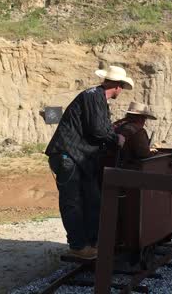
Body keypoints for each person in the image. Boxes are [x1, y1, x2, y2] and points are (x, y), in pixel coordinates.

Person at [45, 65, 133, 260]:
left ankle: (92, 243)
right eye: (121, 88)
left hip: (79, 157)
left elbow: (98, 128)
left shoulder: (96, 98)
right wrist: (116, 139)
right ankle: (78, 246)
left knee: (93, 200)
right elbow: (99, 130)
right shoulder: (93, 97)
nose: (121, 91)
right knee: (73, 202)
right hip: (68, 156)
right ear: (118, 86)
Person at [109, 102, 158, 169]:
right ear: (141, 118)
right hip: (127, 169)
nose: (144, 121)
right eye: (144, 118)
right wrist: (153, 153)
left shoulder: (116, 125)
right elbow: (143, 154)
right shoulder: (138, 131)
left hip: (109, 165)